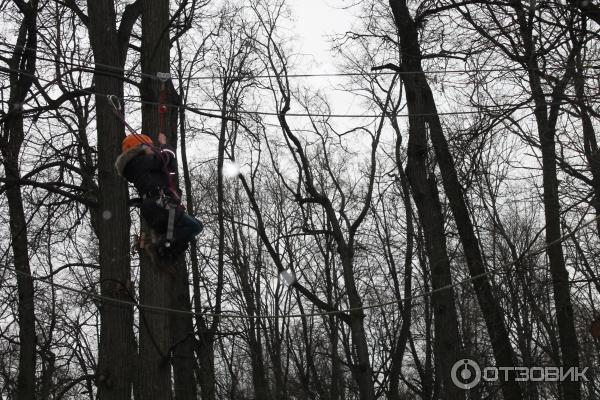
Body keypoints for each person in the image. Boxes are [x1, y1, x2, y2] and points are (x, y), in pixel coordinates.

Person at [115, 132, 203, 262]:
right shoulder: (140, 162)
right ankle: (162, 246)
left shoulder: (139, 166)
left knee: (189, 229)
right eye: (150, 147)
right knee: (195, 226)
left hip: (155, 206)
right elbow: (166, 158)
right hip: (159, 205)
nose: (153, 149)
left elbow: (170, 168)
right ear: (141, 148)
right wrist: (164, 144)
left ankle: (166, 251)